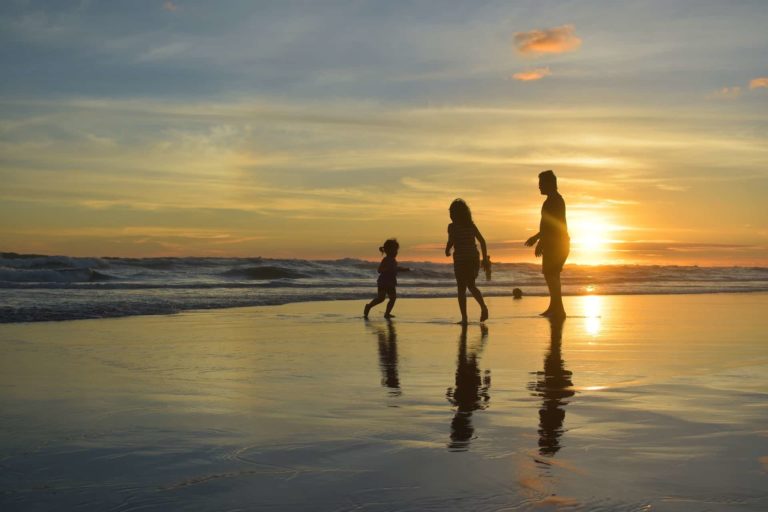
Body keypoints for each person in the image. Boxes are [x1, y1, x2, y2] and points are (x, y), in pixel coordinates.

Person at [525, 170, 570, 318]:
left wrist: (540, 241)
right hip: (556, 243)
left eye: (541, 183)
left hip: (557, 244)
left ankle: (558, 309)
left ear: (550, 184)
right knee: (552, 275)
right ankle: (555, 307)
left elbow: (553, 226)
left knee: (551, 275)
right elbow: (547, 226)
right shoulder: (553, 200)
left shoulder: (554, 201)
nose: (539, 186)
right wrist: (537, 238)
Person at [445, 199, 490, 324]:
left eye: (452, 213)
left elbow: (451, 241)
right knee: (471, 285)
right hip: (472, 259)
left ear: (457, 214)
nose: (450, 215)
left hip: (461, 260)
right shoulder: (471, 225)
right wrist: (484, 258)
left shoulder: (452, 227)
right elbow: (482, 241)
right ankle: (483, 307)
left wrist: (447, 249)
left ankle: (464, 318)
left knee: (461, 289)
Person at [364, 239, 409, 319]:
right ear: (388, 251)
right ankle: (369, 306)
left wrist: (403, 269)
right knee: (381, 298)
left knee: (393, 298)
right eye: (395, 250)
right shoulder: (385, 259)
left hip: (391, 282)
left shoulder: (393, 260)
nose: (396, 252)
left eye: (397, 250)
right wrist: (386, 269)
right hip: (383, 282)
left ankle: (387, 313)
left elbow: (395, 268)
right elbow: (379, 270)